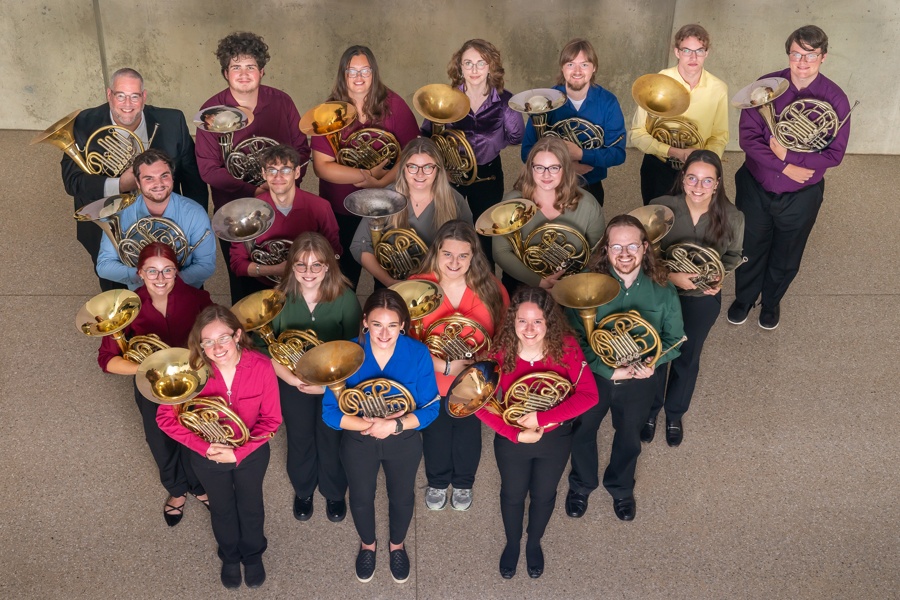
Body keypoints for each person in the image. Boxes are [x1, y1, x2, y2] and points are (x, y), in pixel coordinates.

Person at [727, 25, 851, 330]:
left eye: (811, 55)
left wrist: (788, 157)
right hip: (756, 185)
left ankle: (771, 302)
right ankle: (744, 298)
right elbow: (749, 139)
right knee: (749, 246)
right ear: (789, 53)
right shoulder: (766, 87)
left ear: (823, 57)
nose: (803, 61)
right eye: (796, 53)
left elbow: (834, 154)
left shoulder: (835, 98)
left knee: (787, 252)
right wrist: (784, 166)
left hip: (802, 194)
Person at [564, 215, 684, 521]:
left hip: (640, 380)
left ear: (645, 248)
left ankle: (620, 487)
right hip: (594, 378)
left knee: (629, 435)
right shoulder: (585, 286)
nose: (625, 253)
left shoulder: (663, 290)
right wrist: (608, 370)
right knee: (582, 431)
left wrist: (654, 362)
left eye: (632, 245)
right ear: (606, 249)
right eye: (616, 246)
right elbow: (572, 340)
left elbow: (674, 339)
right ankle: (581, 484)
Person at [157, 305, 282, 589]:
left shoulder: (261, 366)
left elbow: (272, 420)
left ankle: (252, 554)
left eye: (223, 338)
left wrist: (239, 451)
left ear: (237, 335)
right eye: (208, 342)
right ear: (199, 344)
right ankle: (228, 555)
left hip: (250, 454)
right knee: (222, 508)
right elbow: (166, 418)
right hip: (208, 456)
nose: (217, 347)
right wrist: (202, 447)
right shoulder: (189, 371)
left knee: (251, 506)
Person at [477, 287, 597, 579]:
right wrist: (515, 433)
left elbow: (589, 396)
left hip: (555, 439)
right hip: (512, 439)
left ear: (549, 323)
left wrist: (542, 417)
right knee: (512, 494)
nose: (529, 329)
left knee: (544, 495)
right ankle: (512, 543)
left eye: (538, 321)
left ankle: (533, 542)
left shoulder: (566, 348)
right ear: (512, 322)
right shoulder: (498, 352)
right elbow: (477, 404)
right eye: (522, 321)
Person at [321, 289, 439, 584]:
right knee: (360, 497)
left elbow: (431, 408)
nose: (384, 333)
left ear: (402, 325)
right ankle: (368, 545)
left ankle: (396, 545)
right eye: (376, 325)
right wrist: (365, 424)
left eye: (391, 325)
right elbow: (329, 413)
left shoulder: (417, 353)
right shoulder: (344, 352)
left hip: (403, 439)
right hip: (359, 439)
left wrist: (394, 425)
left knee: (401, 496)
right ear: (365, 322)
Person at [61, 67, 208, 291]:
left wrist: (194, 224)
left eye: (134, 96)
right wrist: (120, 184)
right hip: (109, 224)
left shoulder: (172, 121)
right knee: (116, 287)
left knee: (179, 287)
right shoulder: (84, 123)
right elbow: (72, 181)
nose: (127, 104)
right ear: (109, 95)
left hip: (165, 221)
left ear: (144, 96)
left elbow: (193, 180)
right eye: (120, 96)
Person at [97, 242, 213, 526]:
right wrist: (149, 369)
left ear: (177, 271)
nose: (160, 279)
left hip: (193, 380)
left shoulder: (198, 298)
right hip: (151, 385)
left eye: (167, 271)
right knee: (159, 439)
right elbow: (106, 360)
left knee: (197, 434)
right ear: (140, 273)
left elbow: (214, 338)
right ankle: (176, 490)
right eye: (152, 271)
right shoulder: (124, 308)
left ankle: (198, 486)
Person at [195, 31, 311, 302]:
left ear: (262, 71)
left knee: (288, 276)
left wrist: (281, 185)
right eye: (236, 67)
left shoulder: (281, 101)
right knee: (243, 283)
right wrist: (253, 189)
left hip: (281, 202)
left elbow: (302, 151)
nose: (244, 73)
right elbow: (208, 170)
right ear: (226, 72)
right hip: (235, 212)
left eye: (250, 67)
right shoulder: (211, 110)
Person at [644, 150, 744, 446]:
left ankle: (675, 412)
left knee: (688, 357)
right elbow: (645, 253)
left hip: (701, 298)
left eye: (706, 180)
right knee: (658, 352)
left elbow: (733, 256)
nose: (698, 186)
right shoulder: (659, 207)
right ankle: (651, 410)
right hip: (661, 293)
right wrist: (670, 276)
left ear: (717, 183)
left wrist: (719, 276)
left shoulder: (733, 216)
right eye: (692, 178)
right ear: (682, 177)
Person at [408, 220, 508, 512]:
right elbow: (405, 343)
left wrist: (483, 362)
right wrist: (445, 364)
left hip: (474, 378)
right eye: (447, 254)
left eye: (463, 255)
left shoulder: (491, 288)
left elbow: (502, 335)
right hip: (432, 377)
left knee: (467, 434)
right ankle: (438, 481)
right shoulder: (417, 284)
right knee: (436, 433)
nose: (455, 262)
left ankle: (464, 482)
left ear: (473, 256)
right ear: (436, 253)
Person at [262, 232, 361, 523]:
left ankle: (333, 491)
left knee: (332, 435)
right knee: (300, 435)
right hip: (293, 380)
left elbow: (356, 350)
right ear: (291, 267)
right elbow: (267, 348)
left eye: (317, 265)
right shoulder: (277, 299)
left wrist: (328, 386)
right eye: (301, 266)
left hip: (335, 383)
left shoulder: (345, 298)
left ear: (328, 266)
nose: (309, 273)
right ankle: (303, 489)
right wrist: (292, 380)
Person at [312, 45, 420, 286]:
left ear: (374, 72)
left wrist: (381, 181)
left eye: (365, 70)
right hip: (342, 207)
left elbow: (411, 152)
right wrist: (368, 174)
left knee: (388, 268)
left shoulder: (394, 105)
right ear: (343, 74)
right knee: (343, 277)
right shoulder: (329, 111)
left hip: (387, 203)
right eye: (352, 71)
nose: (359, 77)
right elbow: (322, 166)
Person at [420, 39, 524, 262]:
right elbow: (426, 137)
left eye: (481, 63)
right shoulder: (445, 97)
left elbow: (517, 137)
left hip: (488, 176)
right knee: (446, 233)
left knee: (486, 237)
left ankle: (485, 289)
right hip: (449, 176)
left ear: (491, 66)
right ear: (459, 67)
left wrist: (495, 142)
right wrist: (440, 168)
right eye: (468, 63)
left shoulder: (505, 101)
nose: (474, 70)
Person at [349, 137, 473, 287]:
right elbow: (360, 245)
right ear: (403, 168)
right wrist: (389, 282)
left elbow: (470, 248)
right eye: (412, 167)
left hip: (440, 285)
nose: (420, 174)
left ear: (438, 169)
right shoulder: (386, 197)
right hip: (392, 282)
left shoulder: (455, 201)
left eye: (428, 167)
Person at [631, 24, 729, 205]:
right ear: (677, 52)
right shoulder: (656, 82)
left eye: (699, 51)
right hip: (659, 166)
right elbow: (637, 134)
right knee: (657, 220)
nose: (693, 57)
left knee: (695, 224)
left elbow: (719, 136)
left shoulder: (718, 89)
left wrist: (702, 160)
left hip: (699, 171)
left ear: (707, 53)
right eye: (687, 50)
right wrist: (674, 151)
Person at [521, 38, 625, 207]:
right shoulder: (544, 101)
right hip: (549, 186)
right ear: (562, 68)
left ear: (594, 68)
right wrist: (566, 165)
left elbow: (619, 154)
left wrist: (581, 155)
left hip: (590, 184)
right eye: (570, 64)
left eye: (584, 64)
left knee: (590, 231)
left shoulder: (608, 102)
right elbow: (526, 152)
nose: (577, 71)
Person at [228, 145, 341, 298]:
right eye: (271, 170)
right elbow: (237, 264)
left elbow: (334, 252)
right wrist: (274, 269)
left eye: (286, 170)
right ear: (264, 174)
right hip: (263, 288)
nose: (278, 176)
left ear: (297, 172)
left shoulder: (320, 207)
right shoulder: (249, 210)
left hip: (309, 285)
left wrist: (306, 268)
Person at [96, 149, 216, 289]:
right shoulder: (120, 213)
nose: (159, 183)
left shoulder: (195, 213)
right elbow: (104, 266)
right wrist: (142, 276)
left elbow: (206, 266)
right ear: (138, 183)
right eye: (149, 178)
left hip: (186, 292)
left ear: (172, 177)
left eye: (164, 176)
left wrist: (168, 280)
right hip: (140, 294)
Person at [496, 137, 604, 292]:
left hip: (572, 287)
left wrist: (566, 284)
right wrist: (538, 281)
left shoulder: (588, 205)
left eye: (554, 168)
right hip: (521, 285)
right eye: (539, 167)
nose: (546, 175)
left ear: (565, 169)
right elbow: (500, 252)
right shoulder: (512, 202)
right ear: (530, 168)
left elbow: (596, 255)